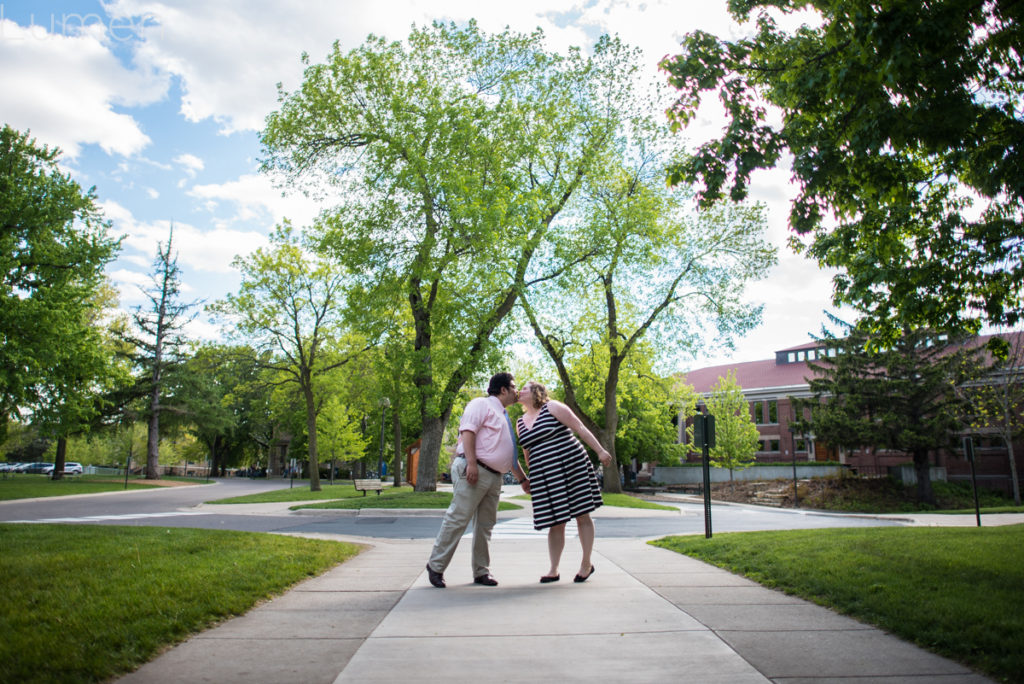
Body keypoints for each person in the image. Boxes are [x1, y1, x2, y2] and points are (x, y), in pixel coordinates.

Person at [425, 372, 530, 589]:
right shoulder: (481, 404)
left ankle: (481, 571)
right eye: (513, 387)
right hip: (475, 470)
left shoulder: (503, 415)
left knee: (485, 525)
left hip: (494, 477)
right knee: (458, 518)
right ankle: (436, 566)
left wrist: (522, 478)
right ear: (503, 390)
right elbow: (467, 431)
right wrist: (471, 463)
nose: (516, 391)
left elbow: (508, 453)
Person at [516, 381, 612, 584]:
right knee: (556, 521)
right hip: (546, 474)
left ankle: (586, 563)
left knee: (581, 513)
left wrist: (600, 451)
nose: (519, 391)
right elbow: (527, 453)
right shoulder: (520, 422)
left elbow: (580, 428)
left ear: (536, 392)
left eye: (524, 388)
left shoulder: (552, 407)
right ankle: (553, 570)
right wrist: (531, 476)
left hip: (571, 464)